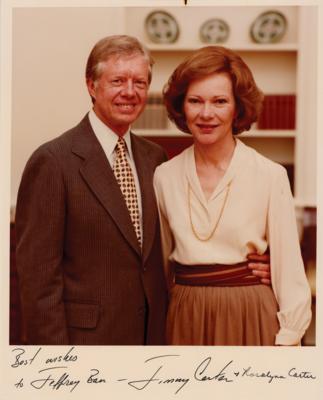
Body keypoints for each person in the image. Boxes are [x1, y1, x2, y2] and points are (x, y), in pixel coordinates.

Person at [15, 35, 271, 345]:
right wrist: (55, 363)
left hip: (155, 338)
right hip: (86, 345)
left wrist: (253, 268)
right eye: (118, 80)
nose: (129, 92)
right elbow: (38, 279)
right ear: (91, 86)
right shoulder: (53, 162)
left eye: (139, 82)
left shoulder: (156, 160)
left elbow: (181, 243)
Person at [153, 45, 312, 346]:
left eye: (220, 101)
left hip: (250, 312)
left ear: (238, 108)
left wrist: (288, 338)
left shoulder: (270, 175)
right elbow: (161, 269)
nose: (206, 114)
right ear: (181, 107)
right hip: (186, 313)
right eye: (195, 101)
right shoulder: (164, 176)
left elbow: (289, 271)